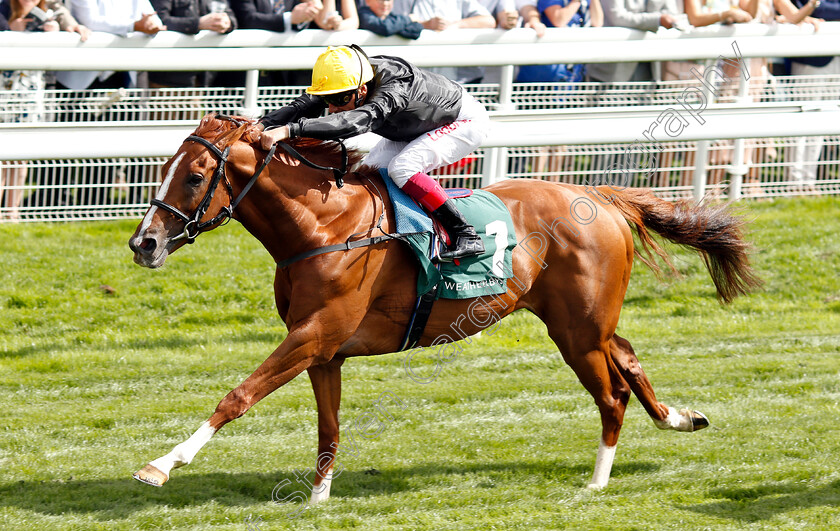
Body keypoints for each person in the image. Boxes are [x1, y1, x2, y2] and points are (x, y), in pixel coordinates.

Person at [256, 45, 489, 260]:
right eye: (328, 99)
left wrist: (289, 131)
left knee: (403, 168)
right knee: (367, 174)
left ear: (362, 89)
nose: (333, 108)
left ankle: (465, 234)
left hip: (462, 121)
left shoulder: (393, 88)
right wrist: (261, 124)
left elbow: (354, 123)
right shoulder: (345, 80)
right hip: (416, 126)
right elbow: (301, 106)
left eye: (339, 99)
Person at [0, 0, 90, 220]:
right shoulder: (3, 8)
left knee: (21, 157)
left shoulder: (50, 10)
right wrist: (11, 28)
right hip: (4, 91)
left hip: (32, 93)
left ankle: (12, 212)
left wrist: (57, 30)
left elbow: (72, 25)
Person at [393, 0, 496, 84]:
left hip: (454, 79)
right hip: (416, 80)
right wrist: (426, 25)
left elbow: (489, 21)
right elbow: (390, 24)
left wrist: (456, 25)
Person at [148, 0, 238, 90]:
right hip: (167, 77)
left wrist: (227, 23)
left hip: (203, 78)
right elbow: (157, 21)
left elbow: (231, 17)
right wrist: (197, 24)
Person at [587, 0, 679, 84]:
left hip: (650, 66)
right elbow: (617, 17)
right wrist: (657, 20)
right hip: (614, 67)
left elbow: (672, 15)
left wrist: (656, 20)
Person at [358, 0, 423, 38]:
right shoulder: (363, 14)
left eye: (388, 0)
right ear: (367, 1)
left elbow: (416, 30)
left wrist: (394, 27)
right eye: (380, 0)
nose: (385, 4)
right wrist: (408, 19)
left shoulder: (392, 16)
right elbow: (385, 28)